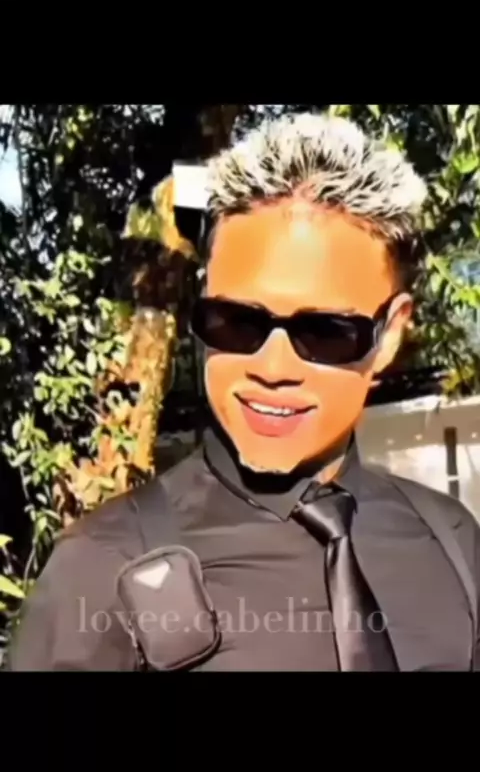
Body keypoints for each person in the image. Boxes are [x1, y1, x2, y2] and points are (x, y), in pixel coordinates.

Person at [7, 112, 480, 672]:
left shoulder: (453, 543)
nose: (272, 368)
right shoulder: (101, 566)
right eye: (236, 322)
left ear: (390, 334)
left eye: (324, 333)